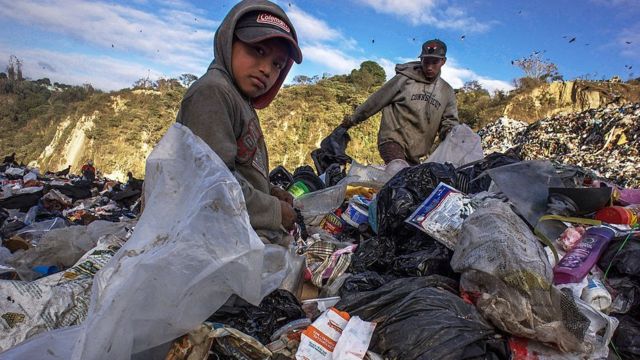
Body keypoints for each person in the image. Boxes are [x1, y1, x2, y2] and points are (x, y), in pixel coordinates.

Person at [176, 0, 302, 245]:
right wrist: (274, 212)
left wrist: (270, 193)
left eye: (277, 64)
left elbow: (239, 171)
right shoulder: (212, 93)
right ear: (228, 41)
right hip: (209, 241)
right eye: (258, 50)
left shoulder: (240, 99)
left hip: (236, 230)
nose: (266, 69)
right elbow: (214, 187)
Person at [339, 39, 459, 165]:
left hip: (416, 152)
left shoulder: (447, 91)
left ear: (443, 61)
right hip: (392, 140)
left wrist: (453, 133)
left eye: (434, 62)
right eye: (426, 61)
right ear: (421, 60)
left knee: (409, 182)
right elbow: (376, 100)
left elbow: (450, 122)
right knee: (399, 170)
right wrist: (351, 120)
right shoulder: (403, 79)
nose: (429, 67)